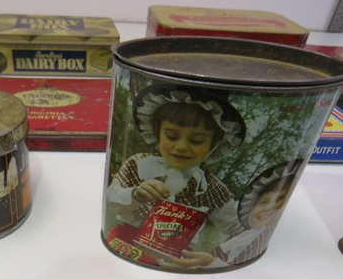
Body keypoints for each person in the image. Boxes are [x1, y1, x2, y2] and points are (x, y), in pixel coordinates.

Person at [105, 85, 246, 268]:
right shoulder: (139, 165)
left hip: (175, 261)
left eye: (196, 141)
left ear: (215, 144)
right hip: (125, 244)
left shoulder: (212, 189)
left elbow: (240, 229)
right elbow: (111, 199)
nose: (181, 146)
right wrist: (135, 194)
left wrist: (215, 259)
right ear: (157, 133)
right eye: (171, 136)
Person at [208, 163, 300, 267]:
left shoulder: (259, 239)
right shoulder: (242, 236)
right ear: (251, 208)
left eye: (279, 199)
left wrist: (210, 261)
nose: (268, 207)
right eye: (263, 202)